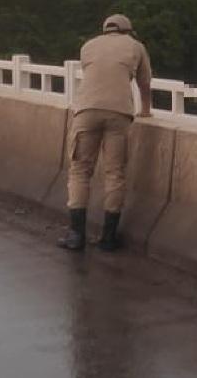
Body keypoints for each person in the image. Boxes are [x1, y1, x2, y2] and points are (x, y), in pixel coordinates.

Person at [57, 14, 152, 252]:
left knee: (80, 170)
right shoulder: (136, 47)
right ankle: (108, 237)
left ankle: (76, 235)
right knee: (115, 172)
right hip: (119, 113)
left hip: (86, 110)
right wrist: (146, 111)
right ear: (128, 31)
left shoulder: (88, 46)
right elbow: (144, 84)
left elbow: (95, 74)